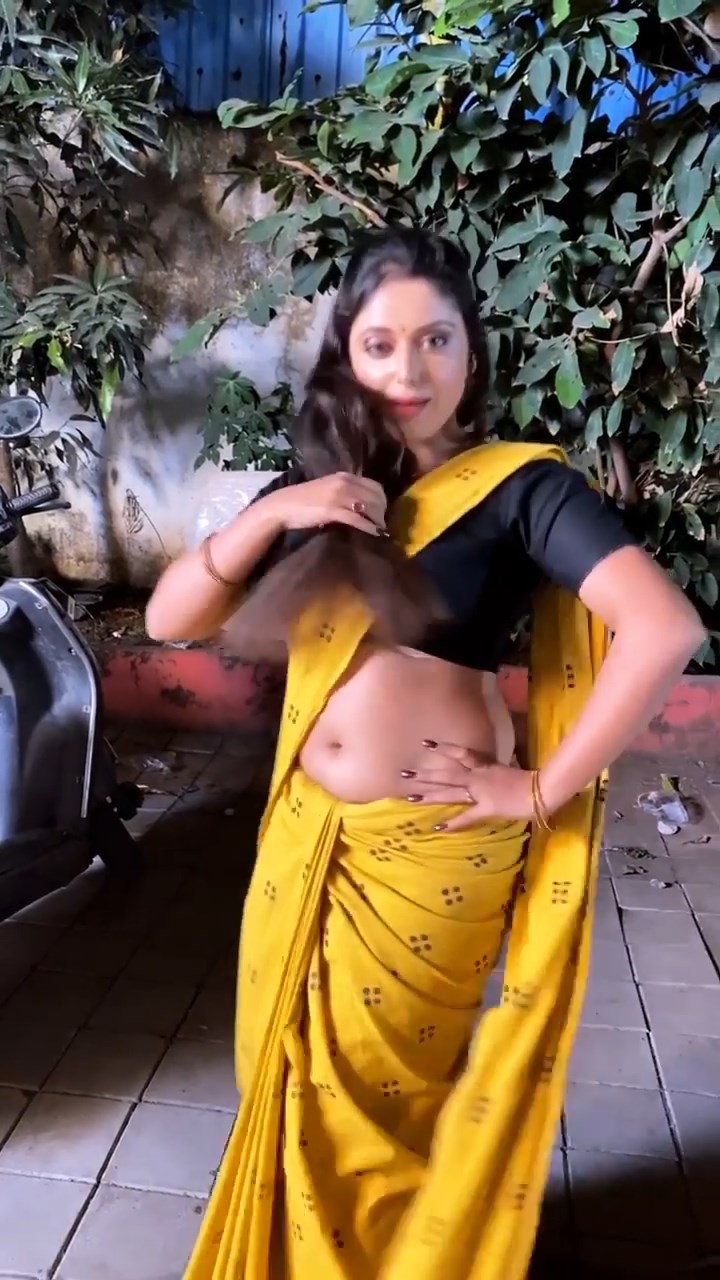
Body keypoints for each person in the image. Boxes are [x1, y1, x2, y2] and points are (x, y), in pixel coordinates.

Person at [146, 228, 704, 1280]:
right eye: (381, 344)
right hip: (309, 842)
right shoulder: (319, 487)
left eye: (436, 340)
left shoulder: (521, 491)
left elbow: (663, 627)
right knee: (296, 1098)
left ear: (472, 353)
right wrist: (283, 509)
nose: (410, 371)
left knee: (382, 1118)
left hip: (430, 853)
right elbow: (172, 618)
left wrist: (538, 788)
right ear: (345, 354)